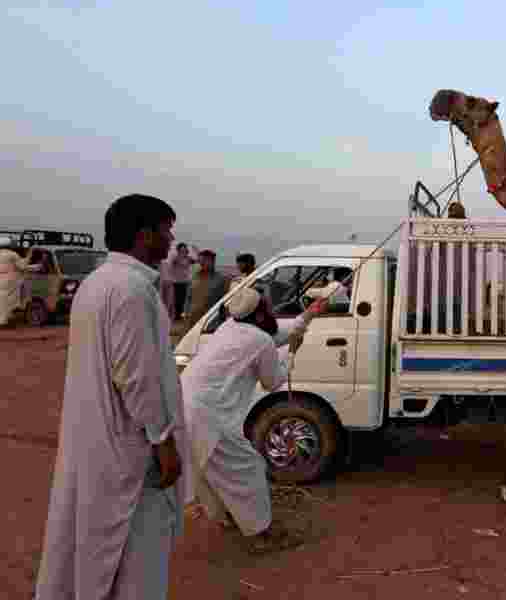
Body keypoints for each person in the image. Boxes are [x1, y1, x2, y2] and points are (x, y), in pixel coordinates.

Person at [34, 194, 187, 600]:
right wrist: (164, 440)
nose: (171, 239)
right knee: (135, 559)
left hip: (103, 444)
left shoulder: (98, 283)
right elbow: (135, 377)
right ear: (144, 235)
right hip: (132, 452)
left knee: (93, 551)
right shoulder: (130, 290)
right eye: (166, 229)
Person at [182, 288, 327, 553]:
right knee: (250, 469)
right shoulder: (259, 340)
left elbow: (277, 333)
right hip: (209, 416)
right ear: (259, 313)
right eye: (267, 307)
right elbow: (272, 381)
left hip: (190, 408)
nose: (272, 309)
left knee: (217, 472)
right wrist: (292, 352)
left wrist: (308, 315)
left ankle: (235, 519)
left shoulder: (230, 327)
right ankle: (260, 535)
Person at [0, 237, 42, 327]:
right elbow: (23, 266)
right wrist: (30, 255)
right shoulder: (12, 254)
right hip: (10, 281)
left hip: (1, 280)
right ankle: (4, 322)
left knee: (3, 301)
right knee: (9, 301)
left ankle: (4, 320)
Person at [184, 250, 229, 331]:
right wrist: (186, 313)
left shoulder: (221, 279)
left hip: (211, 322)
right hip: (193, 322)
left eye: (205, 260)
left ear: (213, 261)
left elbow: (225, 301)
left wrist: (223, 320)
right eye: (200, 261)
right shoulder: (194, 277)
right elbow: (188, 297)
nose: (202, 263)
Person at [167, 243, 196, 320]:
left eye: (184, 249)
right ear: (178, 250)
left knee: (183, 299)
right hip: (176, 282)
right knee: (176, 299)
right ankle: (175, 315)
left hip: (185, 282)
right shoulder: (175, 258)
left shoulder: (188, 258)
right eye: (181, 249)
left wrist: (195, 250)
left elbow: (197, 260)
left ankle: (180, 315)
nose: (183, 251)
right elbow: (169, 265)